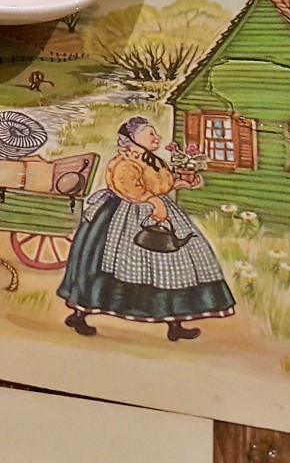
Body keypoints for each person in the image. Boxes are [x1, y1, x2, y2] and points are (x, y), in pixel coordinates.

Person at [56, 116, 235, 341]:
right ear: (133, 138)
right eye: (151, 134)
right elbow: (129, 189)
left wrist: (182, 182)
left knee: (175, 266)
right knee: (108, 263)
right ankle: (80, 315)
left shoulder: (154, 160)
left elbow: (162, 184)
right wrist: (155, 202)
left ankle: (175, 322)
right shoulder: (124, 162)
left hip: (158, 209)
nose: (157, 137)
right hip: (123, 215)